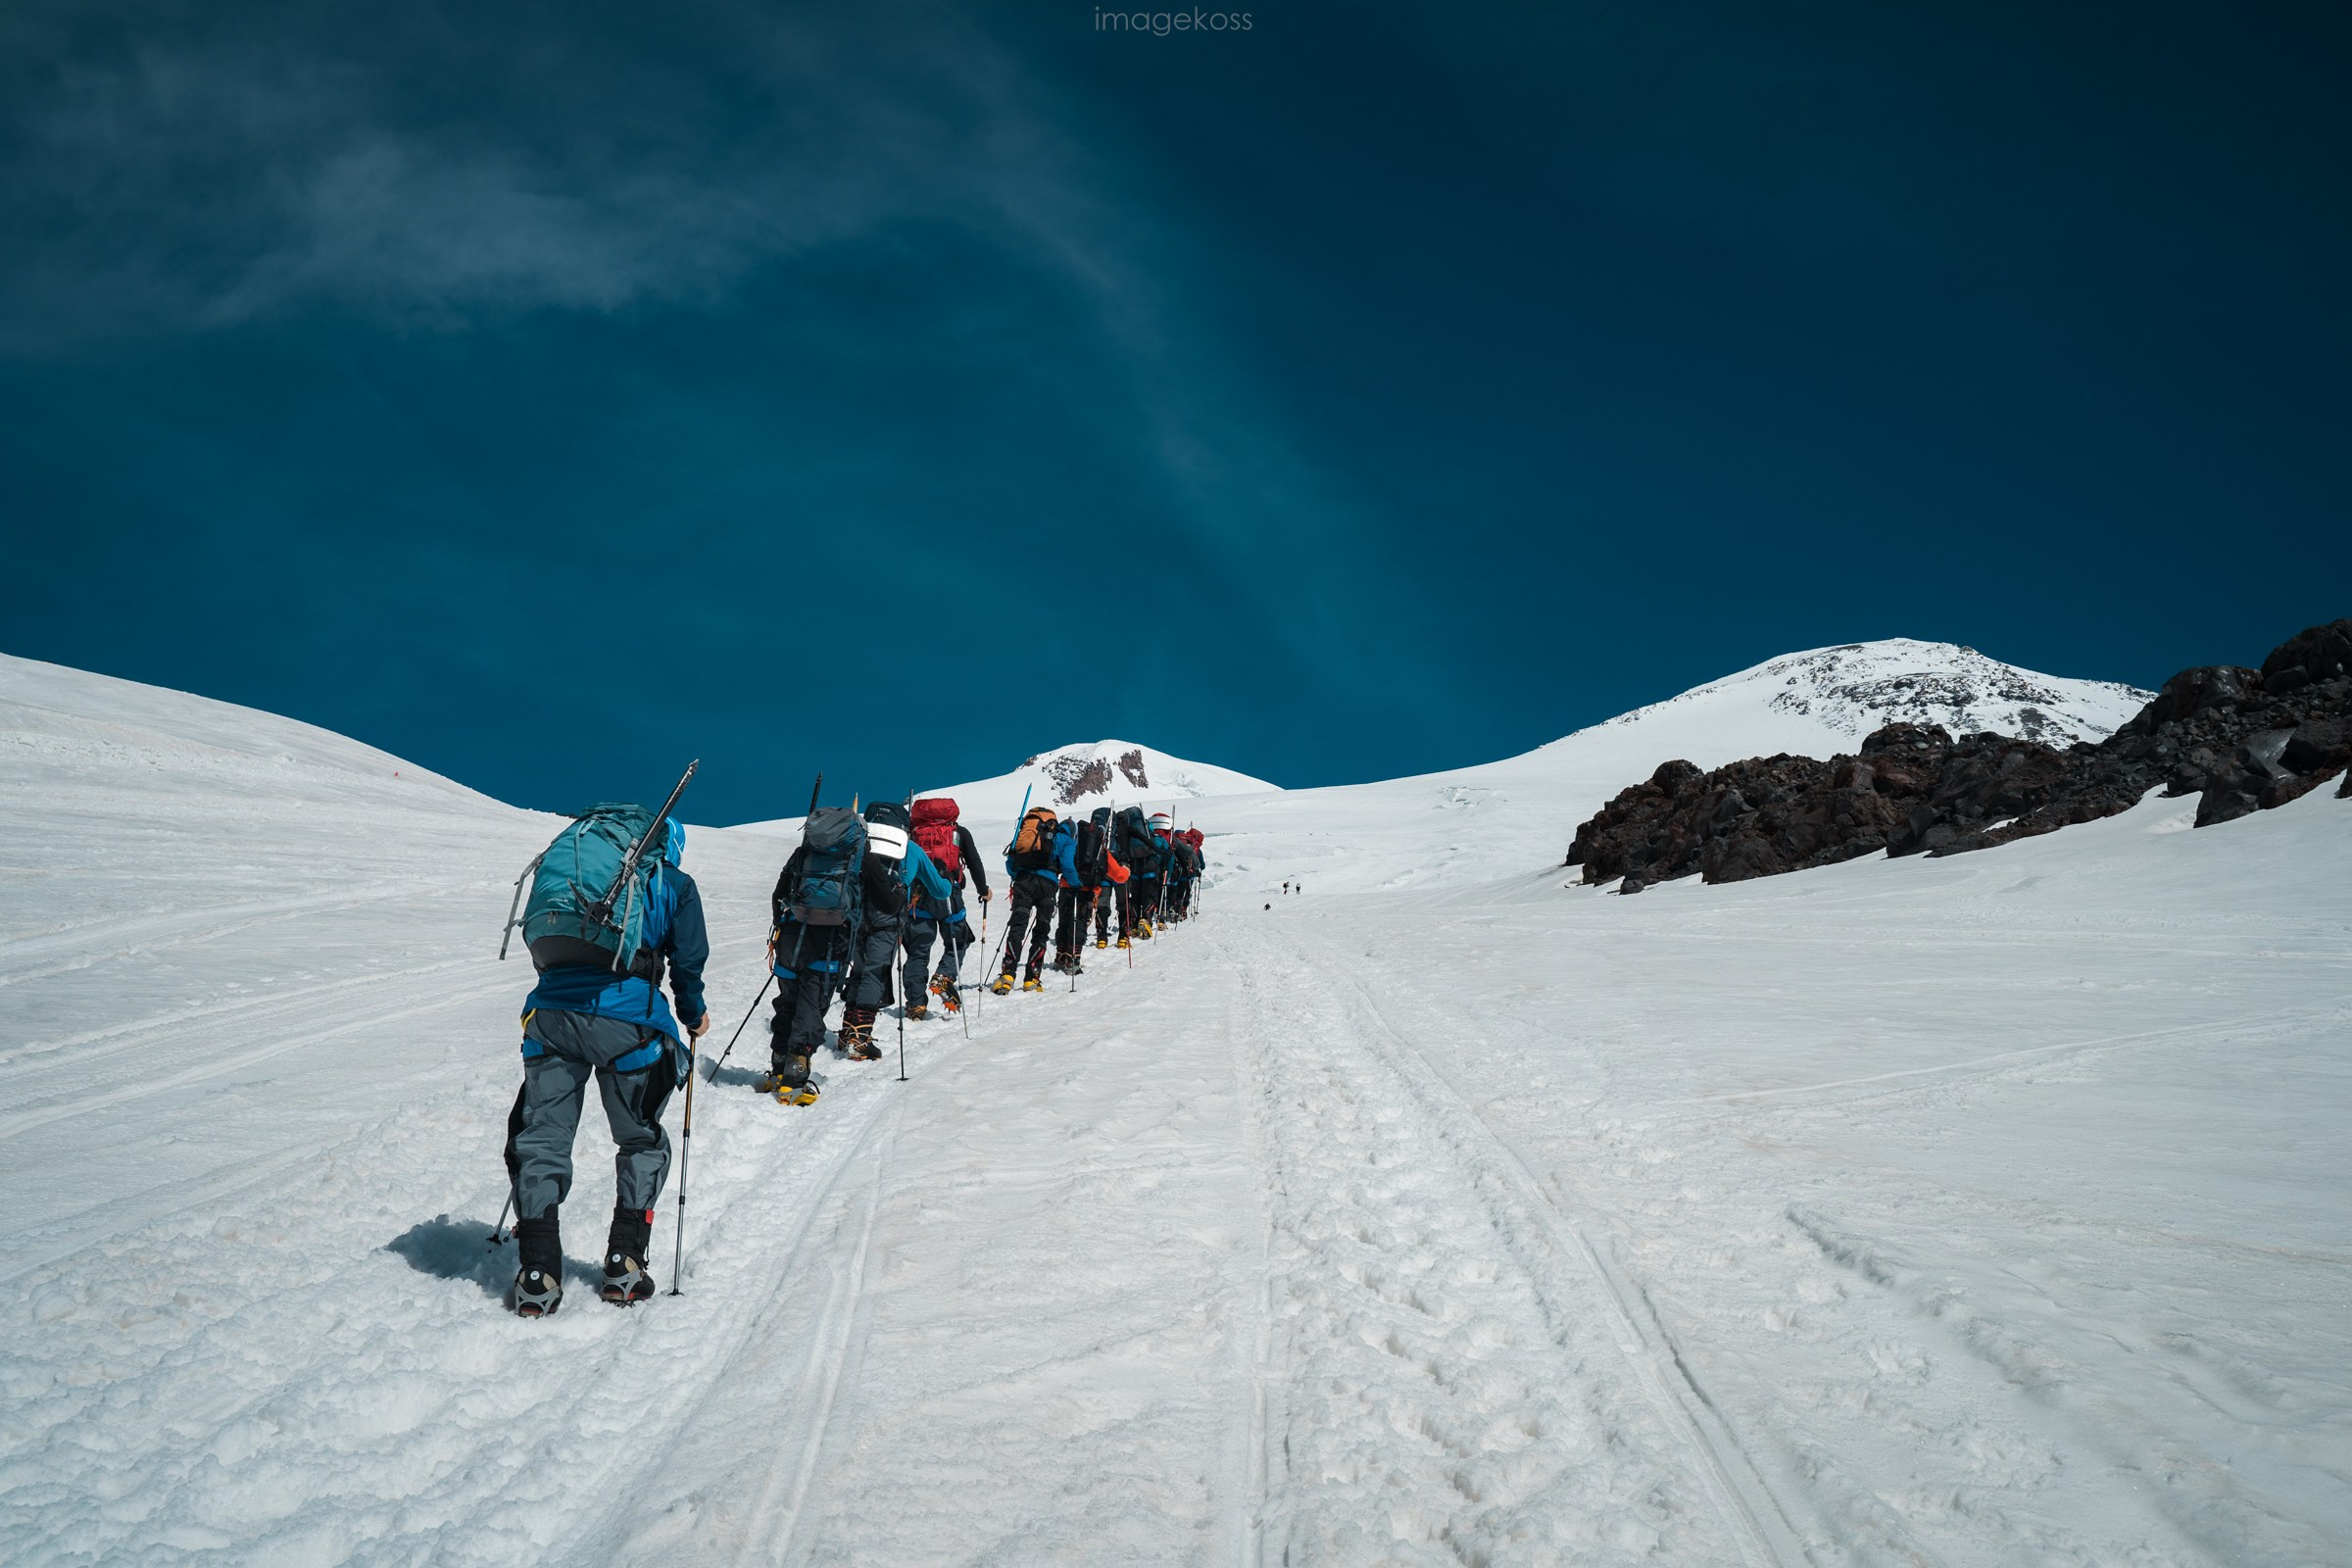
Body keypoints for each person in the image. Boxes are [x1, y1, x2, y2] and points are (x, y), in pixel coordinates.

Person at [506, 818, 709, 1316]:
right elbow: (687, 959)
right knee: (639, 1137)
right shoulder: (672, 883)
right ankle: (625, 1263)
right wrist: (693, 1012)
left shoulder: (574, 870)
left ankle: (537, 1273)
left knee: (544, 1137)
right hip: (627, 1024)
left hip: (550, 1016)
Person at [761, 806, 867, 1102]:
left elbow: (779, 892)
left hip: (791, 940)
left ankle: (779, 1064)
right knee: (811, 1007)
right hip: (830, 943)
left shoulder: (804, 853)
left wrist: (779, 923)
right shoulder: (854, 859)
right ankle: (795, 1075)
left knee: (787, 1002)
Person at [839, 801, 953, 1057]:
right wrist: (947, 878)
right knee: (875, 972)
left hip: (854, 911)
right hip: (887, 915)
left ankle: (847, 1031)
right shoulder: (909, 849)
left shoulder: (859, 842)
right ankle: (861, 1037)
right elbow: (939, 890)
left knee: (858, 970)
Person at [905, 797, 990, 1014]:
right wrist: (983, 890)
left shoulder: (912, 832)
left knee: (918, 950)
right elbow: (974, 863)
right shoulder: (958, 832)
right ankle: (944, 976)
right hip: (947, 893)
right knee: (959, 940)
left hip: (917, 896)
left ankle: (916, 1003)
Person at [994, 805, 1075, 994]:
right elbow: (1068, 866)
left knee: (1018, 927)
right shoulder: (1064, 839)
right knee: (1041, 931)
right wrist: (1076, 884)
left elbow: (1011, 866)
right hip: (1048, 886)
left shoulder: (1025, 833)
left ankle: (1007, 975)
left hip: (1024, 882)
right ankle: (1032, 979)